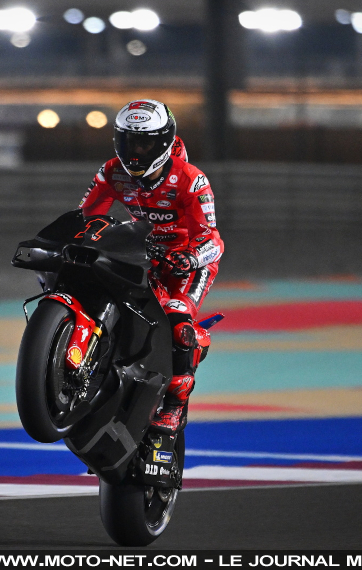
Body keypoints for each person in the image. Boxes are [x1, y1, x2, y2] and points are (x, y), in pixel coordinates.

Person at [78, 100, 223, 434]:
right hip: (143, 254)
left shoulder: (192, 180)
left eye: (144, 142)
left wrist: (190, 258)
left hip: (187, 263)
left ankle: (175, 405)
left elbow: (213, 241)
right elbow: (86, 216)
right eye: (128, 141)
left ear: (164, 142)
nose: (135, 151)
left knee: (175, 318)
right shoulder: (111, 171)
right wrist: (93, 236)